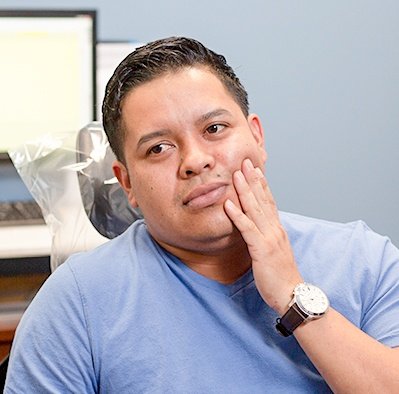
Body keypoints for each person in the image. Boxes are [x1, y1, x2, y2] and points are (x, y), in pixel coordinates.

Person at [5, 37, 399, 393]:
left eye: (214, 128)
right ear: (127, 184)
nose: (194, 160)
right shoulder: (75, 303)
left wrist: (291, 296)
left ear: (257, 137)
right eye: (158, 148)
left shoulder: (364, 259)